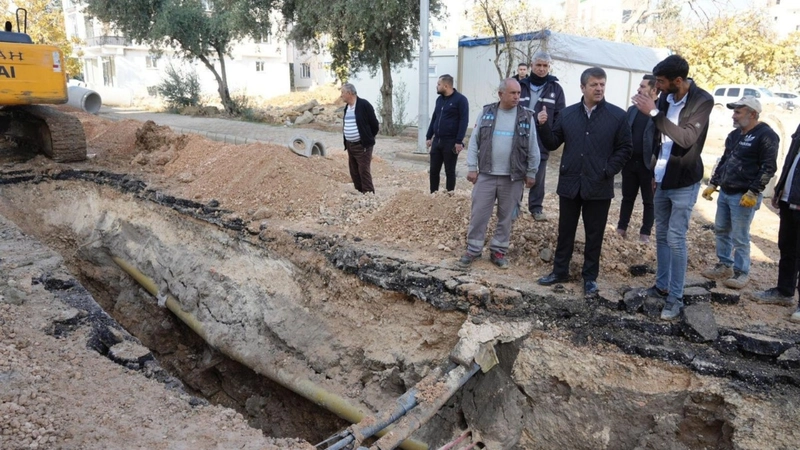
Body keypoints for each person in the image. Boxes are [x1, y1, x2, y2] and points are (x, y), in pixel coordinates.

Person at [536, 67, 632, 296]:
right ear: (582, 87)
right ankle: (560, 271)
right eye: (594, 85)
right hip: (570, 183)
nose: (599, 88)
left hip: (599, 185)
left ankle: (589, 278)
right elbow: (552, 143)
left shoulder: (617, 116)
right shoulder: (568, 114)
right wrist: (543, 125)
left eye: (602, 84)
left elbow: (625, 148)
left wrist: (607, 170)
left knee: (594, 234)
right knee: (565, 231)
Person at [631, 54, 713, 321]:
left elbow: (686, 138)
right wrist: (655, 168)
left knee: (676, 239)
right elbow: (659, 136)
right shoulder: (666, 97)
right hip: (663, 177)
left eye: (663, 82)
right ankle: (661, 285)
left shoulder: (702, 100)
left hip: (684, 181)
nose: (659, 87)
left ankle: (675, 298)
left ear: (679, 80)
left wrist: (653, 111)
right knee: (662, 235)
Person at [458, 78, 540, 269]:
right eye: (513, 93)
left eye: (519, 93)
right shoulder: (486, 113)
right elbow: (474, 142)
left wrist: (532, 172)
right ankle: (473, 249)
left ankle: (498, 251)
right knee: (479, 213)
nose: (517, 97)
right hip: (486, 174)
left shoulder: (526, 117)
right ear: (501, 94)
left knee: (507, 216)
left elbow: (533, 146)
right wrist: (472, 167)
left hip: (513, 177)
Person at [700, 96, 779, 289]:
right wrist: (714, 183)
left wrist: (753, 192)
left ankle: (741, 272)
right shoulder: (734, 135)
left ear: (752, 114)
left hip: (743, 196)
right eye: (734, 111)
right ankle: (724, 264)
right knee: (721, 229)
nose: (733, 116)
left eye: (738, 112)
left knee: (740, 236)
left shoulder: (766, 136)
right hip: (726, 191)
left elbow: (768, 167)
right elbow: (725, 160)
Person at [750, 122, 800, 323]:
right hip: (790, 198)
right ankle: (784, 292)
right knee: (787, 248)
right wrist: (780, 189)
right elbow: (790, 159)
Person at [617, 75, 658, 243]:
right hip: (630, 162)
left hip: (649, 165)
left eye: (642, 86)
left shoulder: (658, 112)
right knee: (627, 197)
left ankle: (645, 233)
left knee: (649, 200)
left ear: (654, 90)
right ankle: (621, 228)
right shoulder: (632, 110)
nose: (638, 89)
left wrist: (656, 169)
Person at [526, 51, 566, 222]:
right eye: (538, 65)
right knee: (514, 173)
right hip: (520, 138)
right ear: (531, 66)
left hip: (542, 140)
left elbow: (560, 116)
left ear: (549, 67)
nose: (542, 69)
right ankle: (513, 206)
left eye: (545, 66)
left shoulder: (555, 89)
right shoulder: (520, 85)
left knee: (538, 176)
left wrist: (552, 134)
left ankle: (536, 208)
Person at [425, 74, 469, 193]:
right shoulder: (439, 100)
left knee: (450, 171)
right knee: (433, 170)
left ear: (446, 86)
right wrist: (429, 136)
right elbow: (435, 118)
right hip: (437, 141)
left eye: (438, 84)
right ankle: (433, 193)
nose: (437, 87)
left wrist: (459, 141)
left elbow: (464, 121)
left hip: (451, 142)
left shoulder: (461, 100)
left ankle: (449, 196)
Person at [340, 83, 379, 194]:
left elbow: (374, 125)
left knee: (363, 171)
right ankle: (359, 193)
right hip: (350, 145)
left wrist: (367, 138)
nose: (341, 95)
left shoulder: (364, 105)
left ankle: (369, 195)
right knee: (354, 172)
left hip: (362, 146)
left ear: (349, 93)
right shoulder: (347, 107)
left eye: (342, 92)